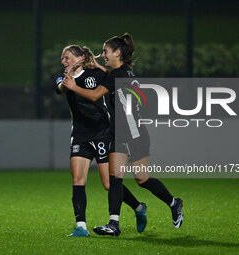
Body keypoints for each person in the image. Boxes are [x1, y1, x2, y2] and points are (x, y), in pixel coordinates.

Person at [63, 34, 183, 237]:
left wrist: (74, 87)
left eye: (105, 52)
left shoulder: (117, 76)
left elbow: (94, 95)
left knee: (142, 179)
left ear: (117, 52)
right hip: (118, 133)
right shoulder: (122, 73)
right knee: (115, 179)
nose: (102, 56)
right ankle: (114, 224)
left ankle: (174, 202)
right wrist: (98, 67)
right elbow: (108, 74)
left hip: (134, 133)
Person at [56, 44, 148, 237]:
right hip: (80, 136)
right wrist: (69, 75)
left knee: (108, 183)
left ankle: (138, 207)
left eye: (67, 57)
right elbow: (61, 88)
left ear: (79, 58)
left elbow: (113, 79)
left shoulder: (95, 74)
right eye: (62, 59)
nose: (63, 61)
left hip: (103, 134)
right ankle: (81, 226)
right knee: (78, 180)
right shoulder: (65, 78)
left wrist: (97, 66)